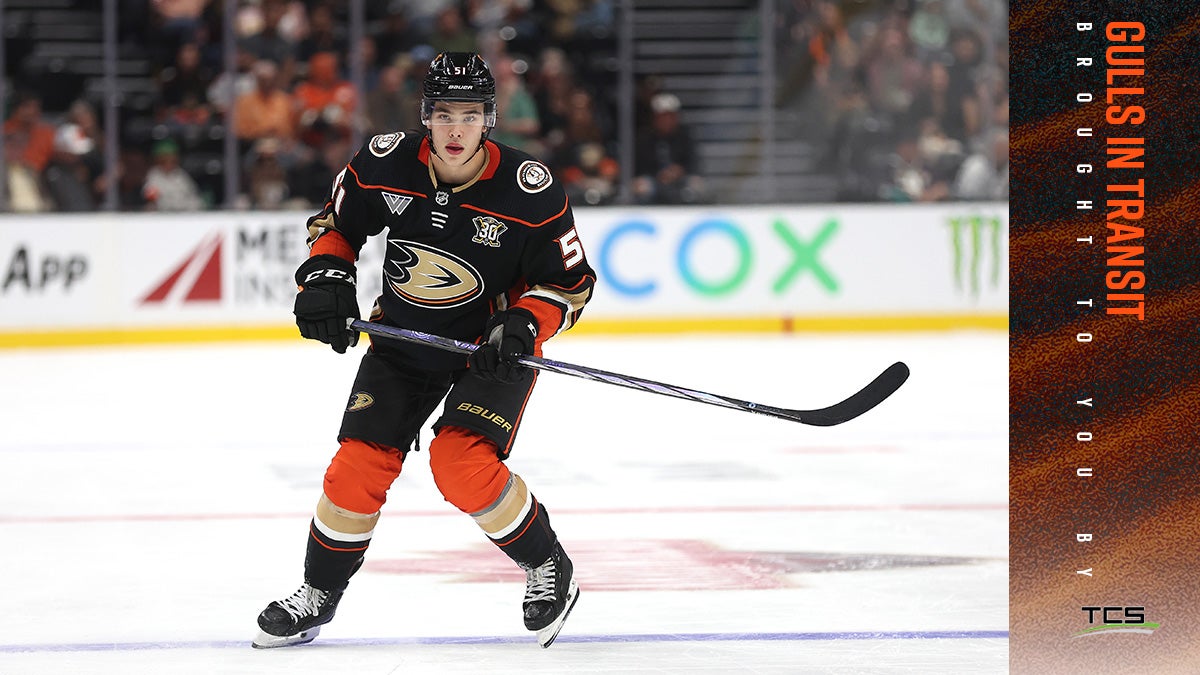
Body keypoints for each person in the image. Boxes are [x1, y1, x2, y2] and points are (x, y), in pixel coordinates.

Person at [253, 52, 594, 650]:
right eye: (442, 115)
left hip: (489, 352)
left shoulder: (529, 191)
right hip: (404, 343)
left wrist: (522, 325)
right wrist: (327, 278)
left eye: (468, 115)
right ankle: (318, 593)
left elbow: (571, 284)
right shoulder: (384, 162)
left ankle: (547, 567)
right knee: (357, 464)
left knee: (459, 464)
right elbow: (334, 223)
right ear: (425, 118)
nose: (455, 130)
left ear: (489, 117)